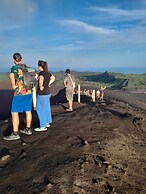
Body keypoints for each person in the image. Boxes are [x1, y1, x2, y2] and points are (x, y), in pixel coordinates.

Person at [4, 53, 34, 141]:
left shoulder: (14, 68)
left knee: (14, 112)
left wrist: (13, 85)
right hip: (29, 91)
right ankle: (28, 129)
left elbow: (11, 75)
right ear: (21, 59)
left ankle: (15, 133)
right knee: (28, 110)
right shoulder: (27, 67)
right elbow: (35, 76)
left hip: (20, 92)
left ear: (14, 60)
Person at [34, 60, 55, 132]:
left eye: (38, 66)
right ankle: (47, 121)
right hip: (48, 92)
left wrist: (41, 86)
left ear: (40, 66)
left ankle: (43, 126)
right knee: (46, 107)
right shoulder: (48, 73)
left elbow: (41, 81)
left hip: (42, 94)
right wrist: (48, 84)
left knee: (39, 109)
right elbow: (53, 78)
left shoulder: (41, 73)